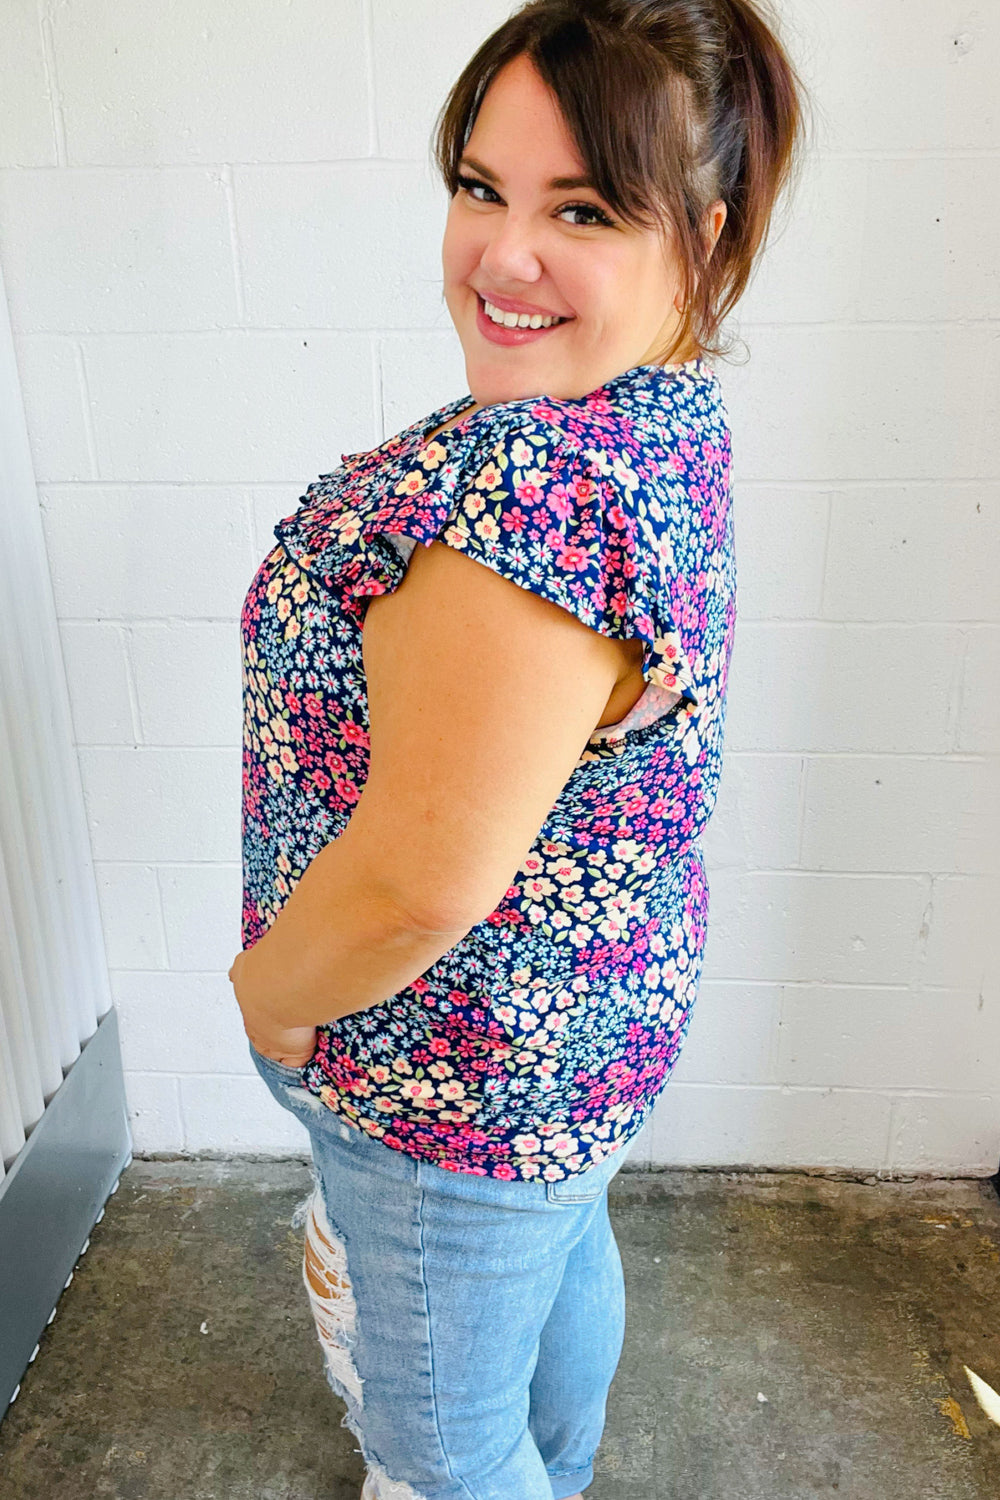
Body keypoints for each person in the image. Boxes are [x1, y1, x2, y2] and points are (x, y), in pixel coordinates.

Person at [228, 2, 807, 1495]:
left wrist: (272, 1000)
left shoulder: (535, 492)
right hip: (586, 1042)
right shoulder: (658, 419)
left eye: (585, 210)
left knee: (446, 1456)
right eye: (481, 187)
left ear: (705, 231)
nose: (501, 254)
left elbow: (420, 886)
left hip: (448, 1076)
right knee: (559, 1267)